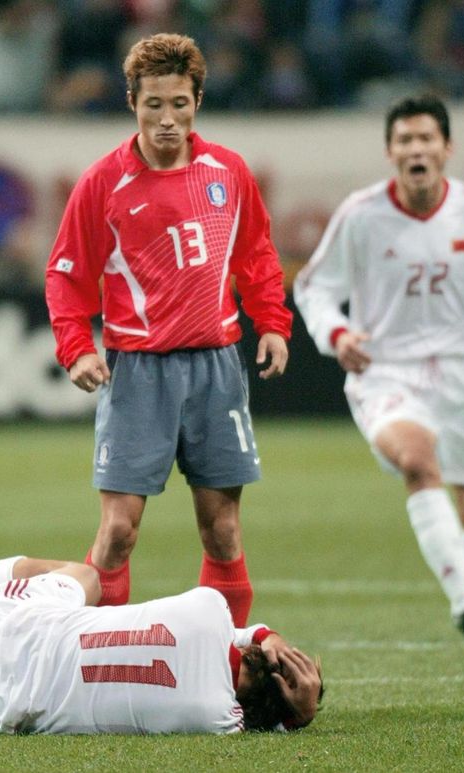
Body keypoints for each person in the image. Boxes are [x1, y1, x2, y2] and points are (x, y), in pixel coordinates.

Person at [44, 33, 293, 626]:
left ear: (197, 101)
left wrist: (273, 323)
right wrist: (76, 347)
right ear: (132, 101)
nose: (166, 120)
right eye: (153, 104)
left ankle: (225, 662)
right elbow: (66, 274)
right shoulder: (103, 183)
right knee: (119, 531)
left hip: (215, 368)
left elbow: (256, 254)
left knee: (222, 530)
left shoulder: (228, 171)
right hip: (139, 374)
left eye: (179, 104)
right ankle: (93, 657)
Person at [295, 94, 464, 648]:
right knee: (417, 459)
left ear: (446, 148)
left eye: (426, 138)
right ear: (390, 152)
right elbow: (314, 287)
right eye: (405, 140)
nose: (416, 149)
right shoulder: (362, 214)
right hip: (386, 369)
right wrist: (337, 335)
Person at [0, 559, 323, 734]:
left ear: (268, 656)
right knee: (54, 689)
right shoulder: (214, 719)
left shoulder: (211, 608)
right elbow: (260, 723)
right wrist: (296, 716)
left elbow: (246, 634)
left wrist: (269, 636)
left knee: (88, 578)